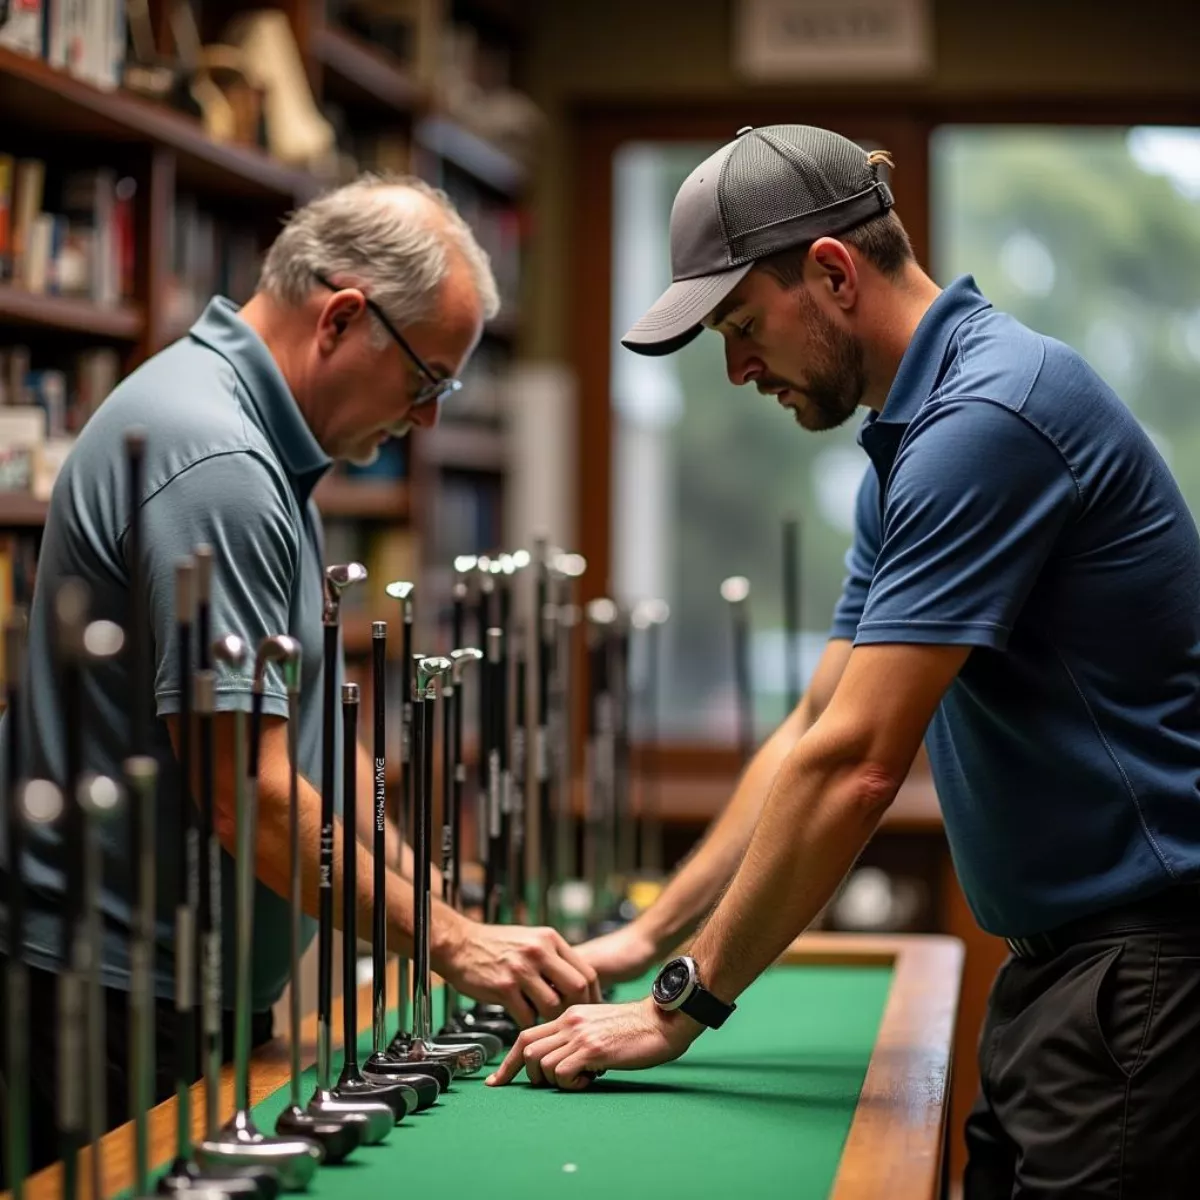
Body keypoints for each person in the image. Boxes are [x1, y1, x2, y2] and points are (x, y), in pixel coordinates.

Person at [486, 125, 1200, 1198]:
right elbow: (815, 728)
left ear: (830, 272)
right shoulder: (909, 449)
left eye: (740, 325)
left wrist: (676, 1011)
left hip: (1141, 969)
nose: (734, 370)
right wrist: (643, 940)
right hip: (1064, 969)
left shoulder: (986, 420)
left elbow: (862, 765)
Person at [0, 173, 598, 1177]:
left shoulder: (267, 448)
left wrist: (439, 899)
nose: (428, 420)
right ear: (345, 318)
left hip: (162, 983)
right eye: (426, 382)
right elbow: (251, 799)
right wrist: (452, 943)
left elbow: (310, 740)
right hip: (107, 1001)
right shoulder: (220, 459)